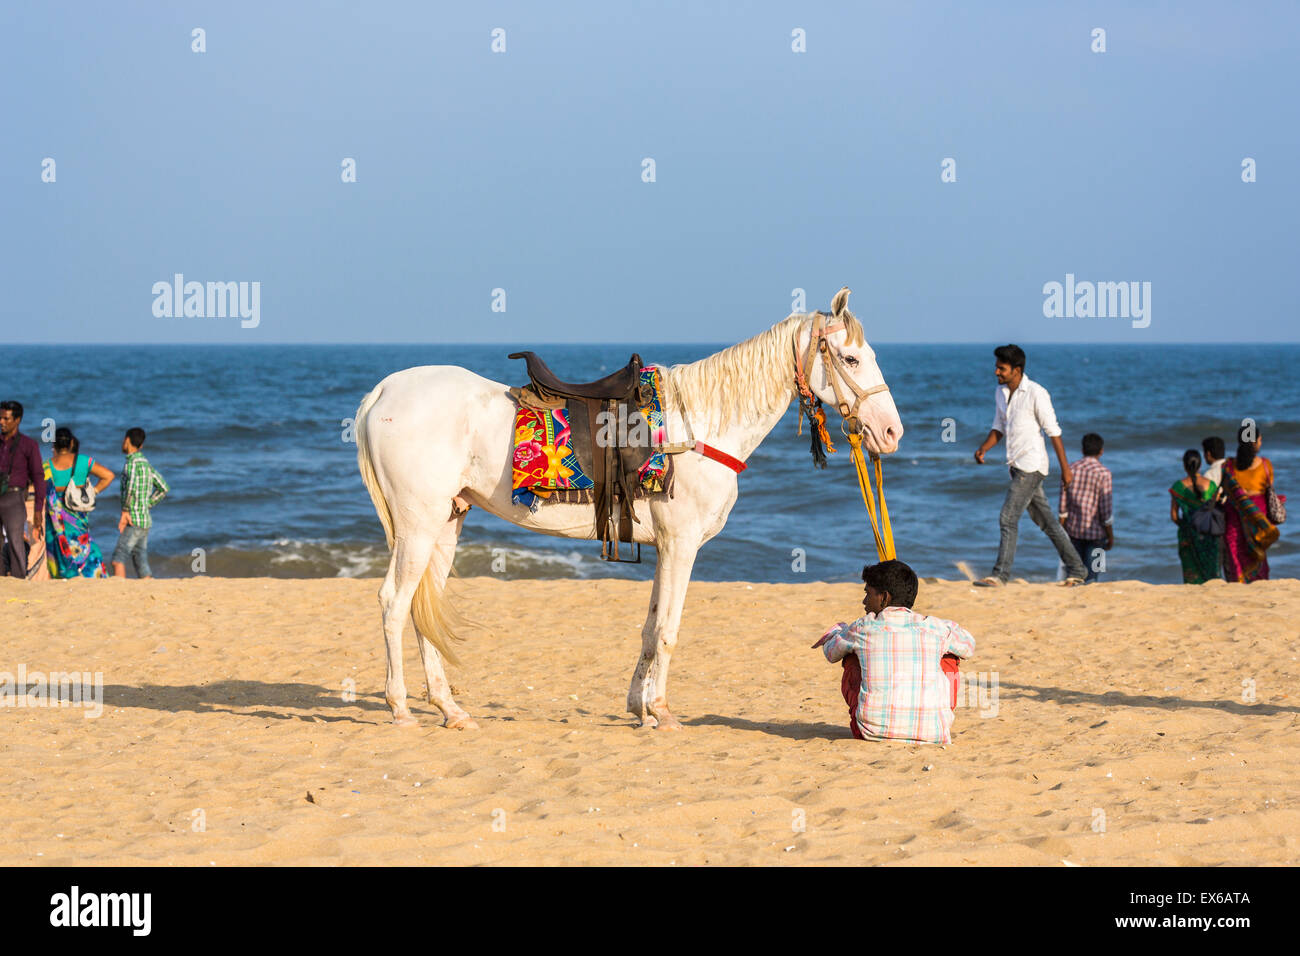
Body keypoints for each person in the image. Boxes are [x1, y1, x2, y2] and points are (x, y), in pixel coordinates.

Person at [813, 559, 975, 745]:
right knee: (949, 657)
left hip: (869, 732)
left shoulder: (862, 627)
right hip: (933, 734)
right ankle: (933, 716)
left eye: (868, 594)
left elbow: (831, 653)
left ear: (884, 597)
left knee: (850, 655)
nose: (864, 601)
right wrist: (946, 626)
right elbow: (968, 646)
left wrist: (838, 631)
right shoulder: (935, 628)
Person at [972, 345, 1088, 586]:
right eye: (996, 367)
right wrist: (984, 448)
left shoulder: (1037, 393)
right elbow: (999, 428)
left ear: (1017, 370)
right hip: (1015, 466)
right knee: (1048, 522)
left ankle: (1000, 575)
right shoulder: (1000, 393)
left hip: (1031, 466)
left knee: (1007, 518)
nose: (996, 372)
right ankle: (1077, 568)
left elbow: (1054, 432)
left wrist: (1066, 469)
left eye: (1001, 368)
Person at [43, 428, 115, 579]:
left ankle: (64, 574)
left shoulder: (46, 466)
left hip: (56, 518)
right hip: (77, 513)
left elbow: (39, 491)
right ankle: (91, 573)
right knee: (82, 542)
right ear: (70, 443)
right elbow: (108, 476)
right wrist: (94, 491)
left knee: (59, 543)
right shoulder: (83, 460)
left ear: (54, 445)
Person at [1220, 425, 1279, 583]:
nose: (1261, 443)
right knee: (1257, 552)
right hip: (1257, 517)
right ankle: (1258, 581)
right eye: (1259, 440)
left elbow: (1224, 490)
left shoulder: (1228, 466)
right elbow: (1269, 488)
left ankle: (1239, 582)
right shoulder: (1266, 465)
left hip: (1234, 515)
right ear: (1254, 442)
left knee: (1236, 551)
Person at [114, 427, 169, 579]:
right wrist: (147, 504)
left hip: (134, 519)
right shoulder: (146, 464)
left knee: (118, 559)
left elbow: (130, 487)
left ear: (126, 440)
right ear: (141, 446)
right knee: (140, 561)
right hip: (145, 519)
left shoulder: (131, 463)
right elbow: (163, 488)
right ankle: (149, 589)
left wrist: (125, 511)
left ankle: (118, 592)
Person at [1058, 432, 1113, 583]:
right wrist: (1110, 536)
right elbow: (1106, 512)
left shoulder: (1070, 469)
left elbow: (1062, 508)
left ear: (1082, 450)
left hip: (1073, 532)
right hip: (1097, 535)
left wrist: (1061, 534)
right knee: (1096, 573)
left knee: (1074, 574)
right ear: (1101, 451)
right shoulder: (1104, 473)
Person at [0, 400, 46, 579]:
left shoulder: (28, 445)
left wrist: (37, 510)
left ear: (17, 420)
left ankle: (19, 581)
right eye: (0, 418)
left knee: (15, 542)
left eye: (6, 418)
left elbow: (38, 477)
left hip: (14, 497)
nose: (1, 422)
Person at [1169, 449, 1219, 584]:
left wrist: (1185, 525)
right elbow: (1216, 509)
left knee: (1191, 575)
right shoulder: (1211, 486)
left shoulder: (1178, 487)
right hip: (1208, 533)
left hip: (1187, 535)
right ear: (1200, 465)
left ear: (1184, 466)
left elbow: (1174, 516)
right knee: (1211, 573)